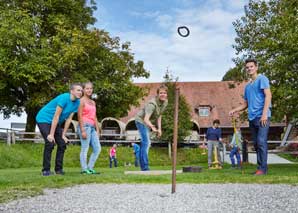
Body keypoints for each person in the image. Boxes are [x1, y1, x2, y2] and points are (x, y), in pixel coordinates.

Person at [229, 58, 272, 176]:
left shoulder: (262, 79)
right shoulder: (247, 87)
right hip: (252, 118)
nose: (249, 69)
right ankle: (261, 168)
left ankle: (262, 169)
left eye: (251, 66)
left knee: (261, 141)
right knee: (257, 144)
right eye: (247, 67)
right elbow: (245, 104)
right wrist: (234, 110)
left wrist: (264, 114)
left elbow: (268, 96)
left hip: (262, 116)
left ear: (256, 67)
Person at [36, 83, 82, 176]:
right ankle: (46, 170)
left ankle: (58, 170)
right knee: (50, 142)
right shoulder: (64, 98)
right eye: (78, 90)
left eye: (81, 90)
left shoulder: (77, 103)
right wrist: (51, 134)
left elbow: (69, 119)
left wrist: (63, 134)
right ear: (71, 91)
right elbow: (56, 116)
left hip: (55, 122)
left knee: (62, 143)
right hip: (44, 119)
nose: (80, 92)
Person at [135, 84, 168, 171]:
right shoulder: (152, 104)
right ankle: (145, 167)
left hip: (147, 122)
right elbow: (146, 119)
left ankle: (143, 166)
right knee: (146, 143)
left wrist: (159, 129)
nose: (163, 94)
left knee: (145, 143)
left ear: (166, 94)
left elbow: (159, 116)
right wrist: (153, 127)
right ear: (157, 94)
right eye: (161, 93)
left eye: (164, 93)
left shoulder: (165, 103)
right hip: (141, 121)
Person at [77, 82, 101, 174]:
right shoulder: (81, 101)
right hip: (85, 126)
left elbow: (94, 117)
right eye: (87, 88)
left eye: (91, 88)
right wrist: (82, 130)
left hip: (92, 128)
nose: (89, 90)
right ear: (83, 90)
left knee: (97, 148)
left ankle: (90, 168)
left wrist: (97, 130)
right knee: (85, 148)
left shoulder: (93, 102)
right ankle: (84, 169)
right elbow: (79, 116)